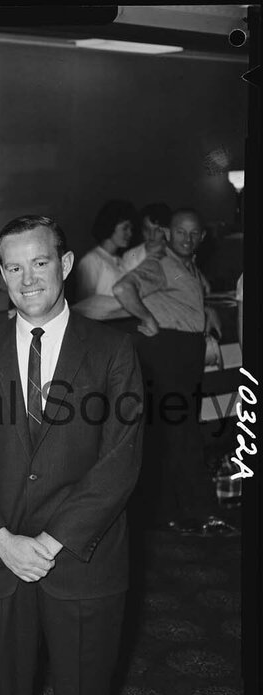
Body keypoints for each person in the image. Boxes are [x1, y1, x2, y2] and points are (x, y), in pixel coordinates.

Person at [0, 214, 144, 695]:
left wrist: (54, 542)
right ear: (1, 275)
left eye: (40, 263)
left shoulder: (113, 351)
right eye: (13, 267)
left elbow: (121, 461)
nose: (27, 278)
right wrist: (2, 540)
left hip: (82, 562)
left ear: (64, 266)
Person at [111, 207, 230, 533]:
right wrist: (147, 319)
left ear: (202, 237)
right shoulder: (162, 263)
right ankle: (191, 513)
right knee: (178, 436)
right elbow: (123, 288)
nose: (187, 238)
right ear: (168, 233)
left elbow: (189, 300)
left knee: (178, 435)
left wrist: (208, 312)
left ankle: (177, 514)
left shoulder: (187, 268)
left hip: (184, 353)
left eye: (194, 233)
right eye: (181, 232)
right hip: (167, 352)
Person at [72, 199, 147, 321]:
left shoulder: (119, 260)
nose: (130, 233)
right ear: (111, 226)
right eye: (125, 228)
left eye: (131, 229)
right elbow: (83, 307)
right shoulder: (91, 260)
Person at [121, 202, 171, 272]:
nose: (151, 235)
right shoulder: (130, 256)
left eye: (157, 230)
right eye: (147, 229)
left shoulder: (173, 255)